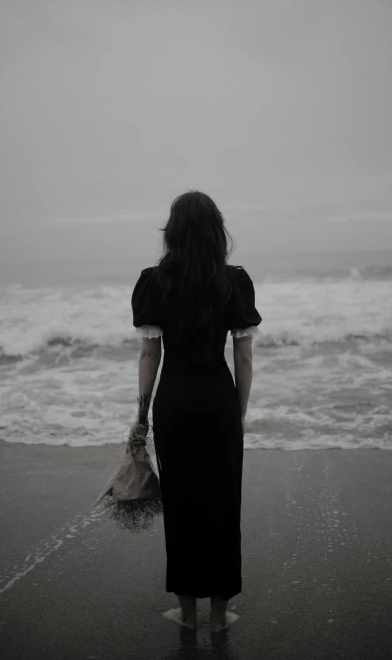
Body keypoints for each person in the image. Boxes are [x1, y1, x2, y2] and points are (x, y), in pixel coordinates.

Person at [130, 190, 262, 632]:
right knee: (224, 505)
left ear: (174, 231)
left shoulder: (154, 281)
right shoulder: (234, 281)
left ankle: (187, 615)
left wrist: (142, 415)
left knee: (183, 506)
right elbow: (243, 359)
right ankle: (221, 616)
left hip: (175, 405)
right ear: (215, 231)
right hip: (218, 403)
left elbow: (150, 357)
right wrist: (238, 414)